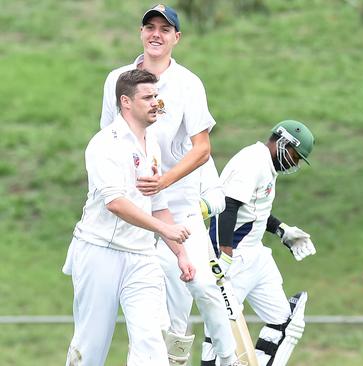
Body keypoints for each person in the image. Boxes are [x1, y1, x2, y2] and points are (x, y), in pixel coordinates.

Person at [99, 4, 240, 365]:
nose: (156, 34)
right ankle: (175, 360)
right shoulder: (119, 79)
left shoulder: (189, 84)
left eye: (165, 28)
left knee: (205, 287)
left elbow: (203, 148)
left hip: (177, 204)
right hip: (136, 208)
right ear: (141, 32)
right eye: (150, 27)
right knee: (162, 307)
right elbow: (108, 139)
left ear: (177, 37)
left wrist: (164, 180)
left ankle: (229, 359)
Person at [62, 69, 195, 366]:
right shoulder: (104, 143)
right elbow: (116, 203)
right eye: (148, 97)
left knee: (152, 345)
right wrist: (165, 230)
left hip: (142, 257)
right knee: (90, 348)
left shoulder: (153, 145)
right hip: (99, 251)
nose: (155, 104)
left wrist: (181, 254)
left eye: (157, 97)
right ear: (126, 102)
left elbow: (158, 203)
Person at [201, 120, 317, 366]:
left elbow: (254, 210)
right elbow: (227, 205)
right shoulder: (252, 161)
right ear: (283, 142)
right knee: (221, 331)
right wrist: (224, 254)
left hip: (256, 255)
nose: (294, 163)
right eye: (295, 156)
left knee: (285, 324)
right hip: (236, 256)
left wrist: (281, 230)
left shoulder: (267, 166)